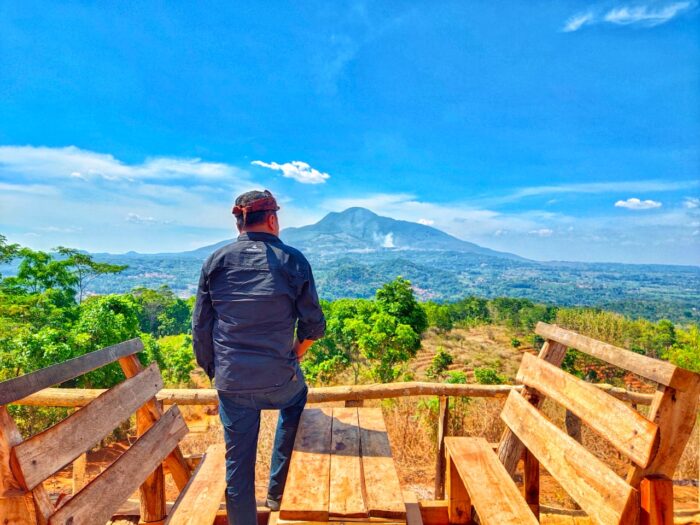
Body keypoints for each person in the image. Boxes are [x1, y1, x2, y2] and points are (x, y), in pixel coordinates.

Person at [192, 189, 325, 525]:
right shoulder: (292, 260)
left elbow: (201, 328)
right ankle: (277, 491)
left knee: (238, 466)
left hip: (232, 383)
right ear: (272, 220)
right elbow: (313, 326)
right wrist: (294, 355)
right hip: (280, 381)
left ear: (238, 223)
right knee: (296, 398)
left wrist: (217, 372)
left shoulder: (215, 262)